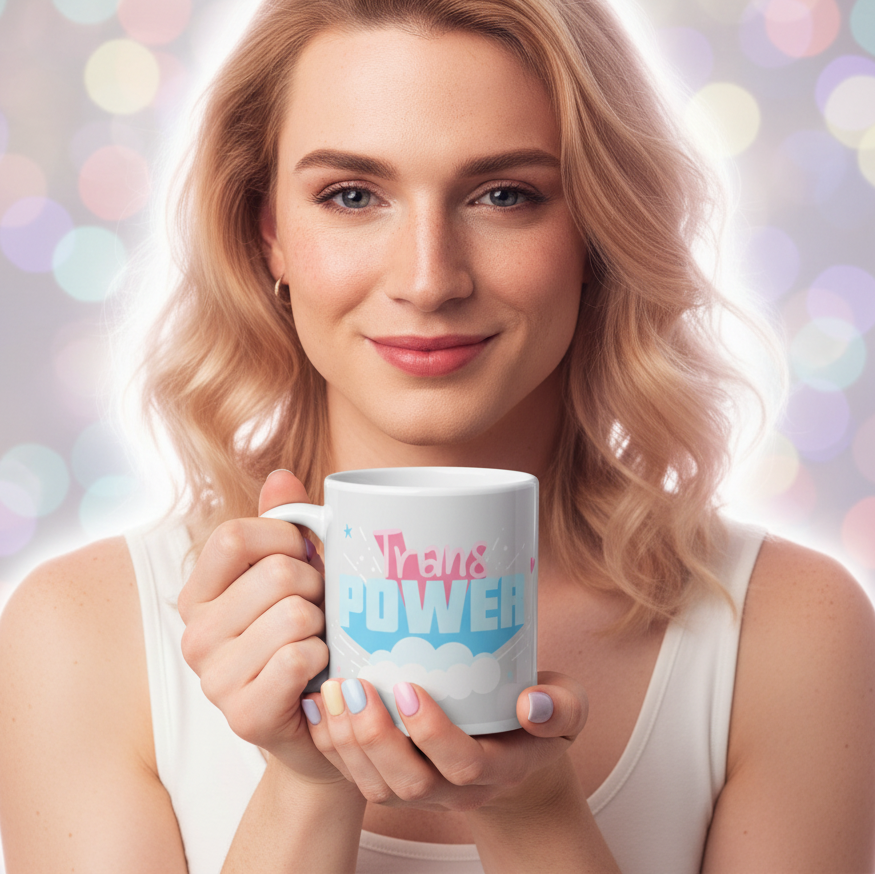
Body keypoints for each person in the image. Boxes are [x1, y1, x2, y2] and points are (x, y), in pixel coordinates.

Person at [1, 0, 874, 872]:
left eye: (504, 195)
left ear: (596, 230)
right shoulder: (80, 634)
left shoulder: (787, 631)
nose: (427, 278)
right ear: (269, 231)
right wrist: (307, 785)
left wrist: (529, 811)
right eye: (351, 195)